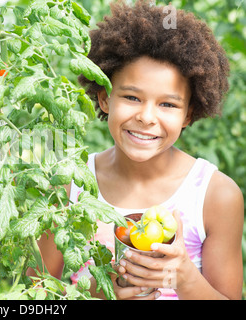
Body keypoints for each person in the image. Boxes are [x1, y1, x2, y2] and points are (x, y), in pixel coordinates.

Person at [39, 0, 244, 299]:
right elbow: (36, 296)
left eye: (168, 104)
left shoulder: (215, 195)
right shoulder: (68, 186)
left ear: (188, 114)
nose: (147, 117)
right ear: (105, 97)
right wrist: (105, 289)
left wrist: (185, 279)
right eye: (132, 97)